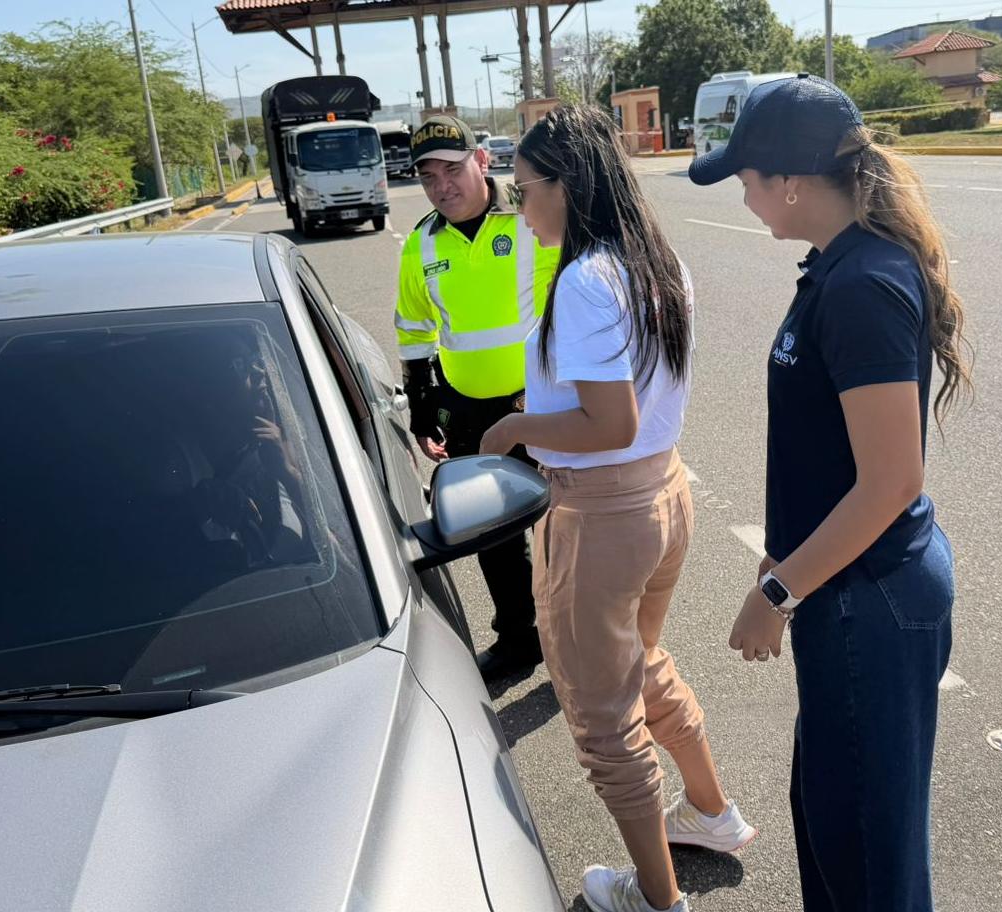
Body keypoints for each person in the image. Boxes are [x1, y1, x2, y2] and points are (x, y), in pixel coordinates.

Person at [688, 75, 971, 910]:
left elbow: (892, 480)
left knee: (868, 858)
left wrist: (777, 591)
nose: (744, 198)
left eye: (746, 179)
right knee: (834, 824)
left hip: (868, 600)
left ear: (792, 181)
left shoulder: (861, 287)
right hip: (848, 591)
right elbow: (832, 459)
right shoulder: (836, 269)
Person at [480, 106, 754, 912]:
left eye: (523, 188)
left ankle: (658, 900)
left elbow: (609, 423)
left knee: (603, 719)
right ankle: (710, 811)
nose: (517, 204)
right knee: (641, 658)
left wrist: (513, 427)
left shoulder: (587, 280)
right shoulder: (654, 260)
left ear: (566, 186)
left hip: (602, 513)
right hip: (662, 497)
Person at [395, 115, 561, 683]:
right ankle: (519, 641)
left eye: (452, 168)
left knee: (564, 531)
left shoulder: (531, 213)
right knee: (494, 536)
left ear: (482, 161)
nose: (442, 185)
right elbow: (414, 328)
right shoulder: (420, 244)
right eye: (427, 176)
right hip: (468, 408)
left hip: (541, 404)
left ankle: (577, 647)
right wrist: (422, 398)